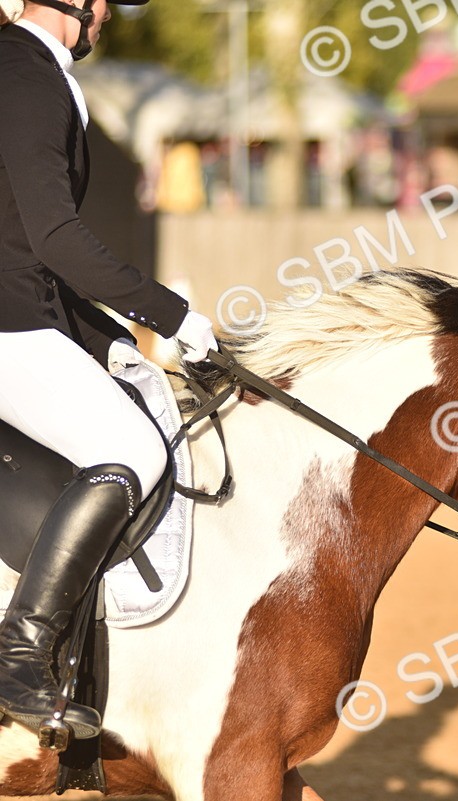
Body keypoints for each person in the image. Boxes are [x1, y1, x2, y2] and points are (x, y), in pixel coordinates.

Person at [0, 0, 218, 745]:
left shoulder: (25, 71)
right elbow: (56, 238)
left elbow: (19, 243)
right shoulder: (26, 75)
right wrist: (173, 315)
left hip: (21, 313)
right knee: (134, 448)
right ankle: (21, 649)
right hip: (6, 327)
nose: (109, 17)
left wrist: (112, 336)